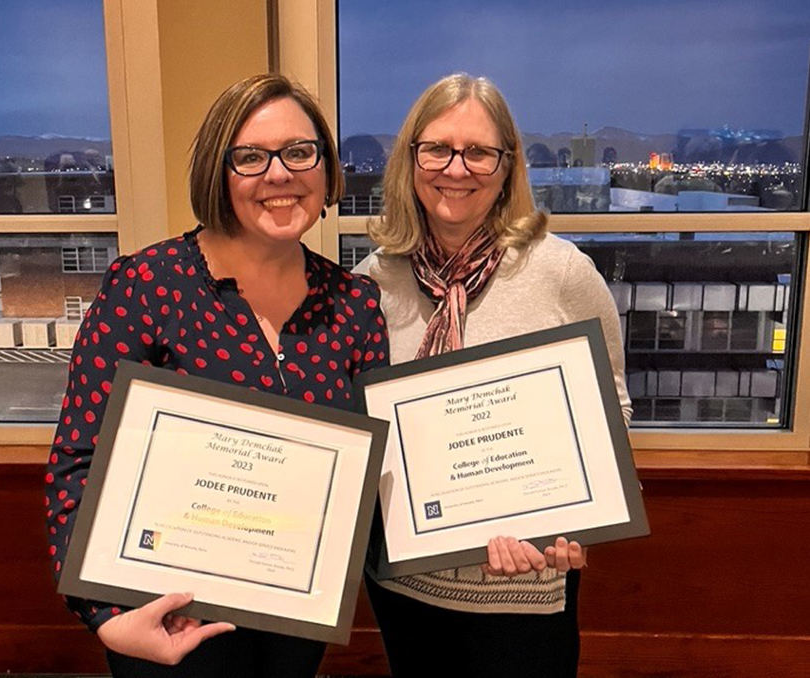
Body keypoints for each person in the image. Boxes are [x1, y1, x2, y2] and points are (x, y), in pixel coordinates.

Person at [45, 73, 388, 677]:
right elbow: (80, 458)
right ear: (217, 172)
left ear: (328, 169)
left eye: (300, 152)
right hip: (168, 618)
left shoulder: (354, 303)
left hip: (294, 612)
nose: (279, 175)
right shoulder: (147, 287)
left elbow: (370, 476)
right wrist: (104, 614)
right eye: (250, 157)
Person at [354, 73, 632, 677]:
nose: (457, 168)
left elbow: (610, 406)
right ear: (411, 159)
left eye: (479, 151)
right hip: (408, 580)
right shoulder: (373, 283)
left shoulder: (561, 273)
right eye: (438, 148)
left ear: (508, 166)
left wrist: (568, 518)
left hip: (529, 582)